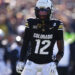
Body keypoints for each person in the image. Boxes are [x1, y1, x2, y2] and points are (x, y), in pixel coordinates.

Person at [16, 0, 64, 75]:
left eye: (44, 12)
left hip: (48, 63)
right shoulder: (31, 23)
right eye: (40, 11)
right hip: (32, 62)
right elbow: (25, 44)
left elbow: (61, 51)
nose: (42, 14)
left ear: (50, 11)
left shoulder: (56, 25)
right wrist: (21, 60)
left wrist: (55, 62)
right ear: (36, 11)